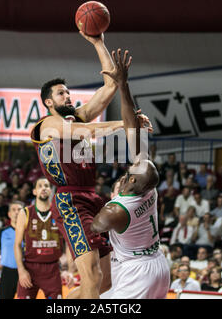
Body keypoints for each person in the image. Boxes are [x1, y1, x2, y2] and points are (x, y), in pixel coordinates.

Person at [29, 34, 149, 299]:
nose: (67, 95)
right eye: (61, 93)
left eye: (68, 91)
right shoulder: (46, 125)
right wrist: (123, 123)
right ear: (49, 102)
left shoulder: (76, 115)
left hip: (92, 196)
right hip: (69, 200)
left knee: (103, 282)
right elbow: (83, 131)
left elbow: (109, 86)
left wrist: (98, 42)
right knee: (92, 277)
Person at [90, 49, 168, 299]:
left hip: (138, 272)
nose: (128, 166)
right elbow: (130, 128)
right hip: (156, 264)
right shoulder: (148, 188)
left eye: (130, 169)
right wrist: (123, 85)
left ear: (132, 180)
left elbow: (95, 225)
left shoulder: (116, 210)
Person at [14, 177, 66, 299]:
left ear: (50, 191)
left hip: (53, 269)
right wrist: (21, 270)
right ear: (34, 191)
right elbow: (17, 245)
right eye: (40, 186)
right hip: (30, 268)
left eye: (47, 186)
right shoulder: (25, 213)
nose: (44, 188)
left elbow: (68, 241)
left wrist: (68, 267)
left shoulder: (59, 212)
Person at [0, 201, 23, 299]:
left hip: (24, 273)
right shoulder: (2, 232)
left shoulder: (29, 232)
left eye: (19, 210)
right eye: (13, 210)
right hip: (7, 273)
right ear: (9, 214)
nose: (16, 212)